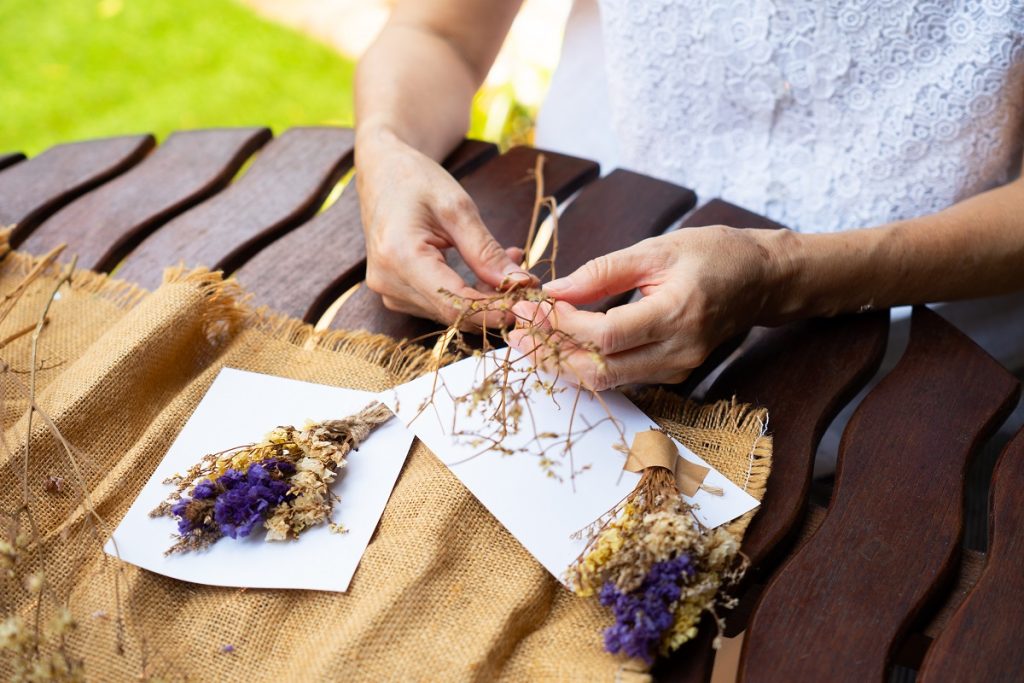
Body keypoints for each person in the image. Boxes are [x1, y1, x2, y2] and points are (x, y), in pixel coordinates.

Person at [354, 0, 1024, 393]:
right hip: (566, 298)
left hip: (926, 369)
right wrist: (388, 148)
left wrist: (780, 274)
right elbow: (438, 31)